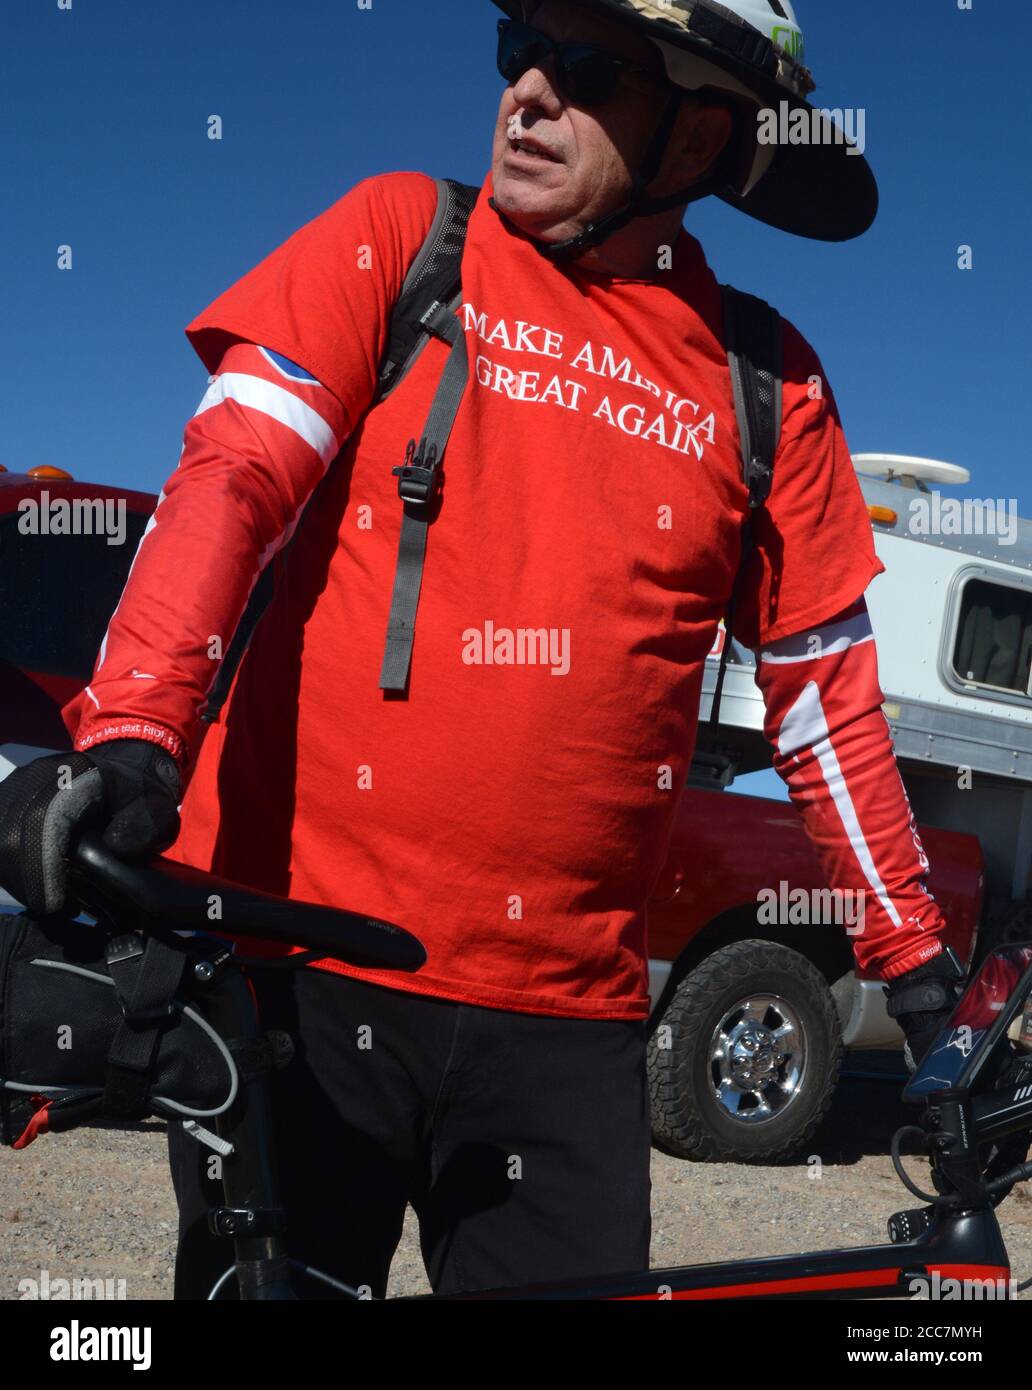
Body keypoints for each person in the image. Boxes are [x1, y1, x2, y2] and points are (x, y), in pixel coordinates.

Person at [0, 0, 965, 1298]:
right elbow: (230, 481)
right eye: (520, 49)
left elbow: (823, 712)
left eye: (585, 67)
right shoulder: (410, 240)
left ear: (701, 139)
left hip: (566, 1030)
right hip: (301, 985)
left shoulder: (767, 383)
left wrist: (924, 985)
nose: (525, 91)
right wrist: (125, 743)